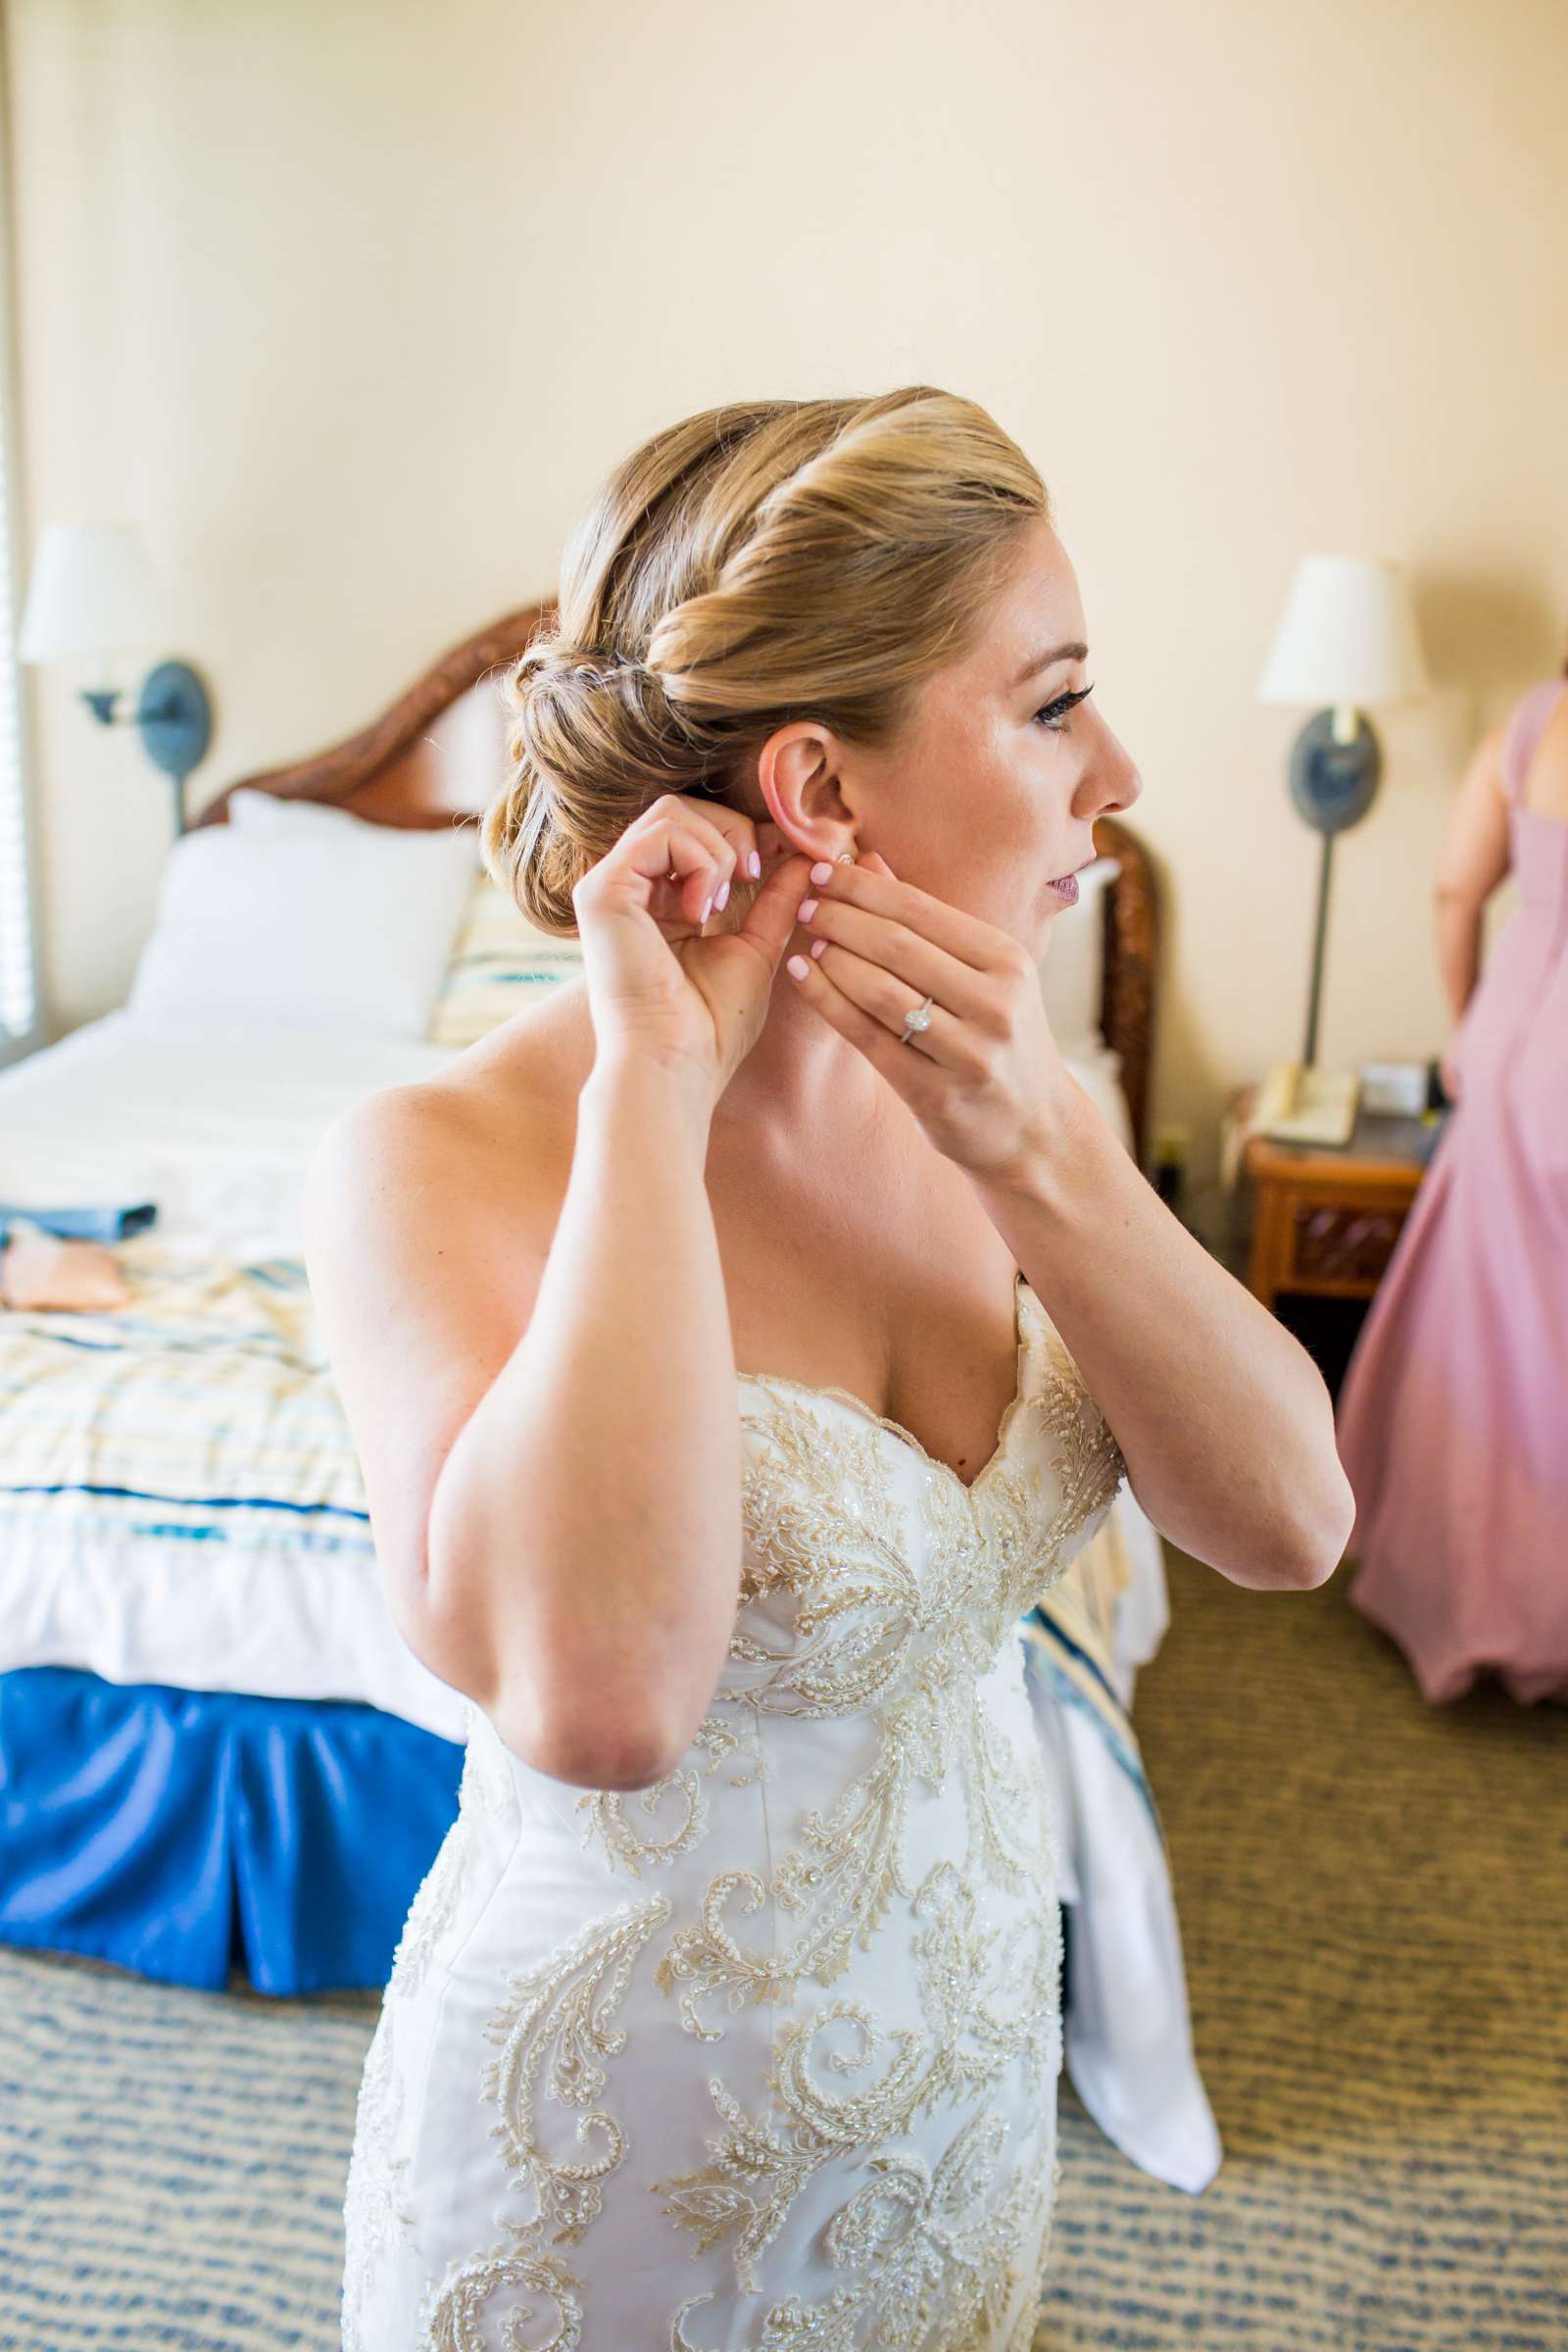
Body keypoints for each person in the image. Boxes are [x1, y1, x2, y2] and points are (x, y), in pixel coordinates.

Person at [304, 387, 1351, 2349]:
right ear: (820, 789)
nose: (1107, 771)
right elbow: (606, 1701)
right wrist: (649, 1094)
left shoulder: (1012, 1097)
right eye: (1048, 706)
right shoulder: (428, 1165)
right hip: (603, 2168)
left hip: (953, 2087)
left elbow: (1289, 1522)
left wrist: (1036, 1149)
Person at [1336, 670, 1568, 1706]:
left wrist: (1473, 1021)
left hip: (1521, 1040)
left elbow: (1454, 889)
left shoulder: (1529, 723)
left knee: (1498, 1336)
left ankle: (1474, 1591)